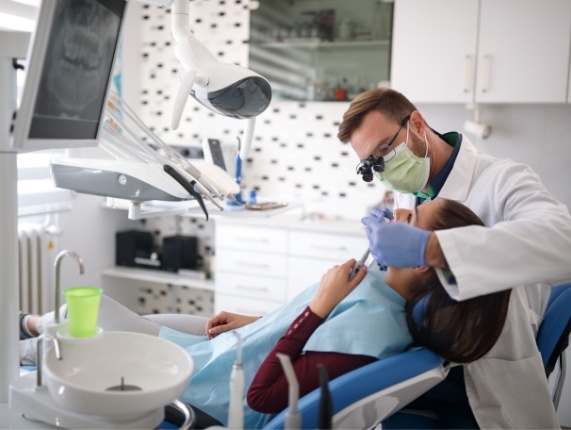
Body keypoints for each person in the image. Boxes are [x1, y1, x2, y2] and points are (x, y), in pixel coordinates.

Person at [21, 199, 511, 429]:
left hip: (218, 393)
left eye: (413, 221)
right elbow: (303, 330)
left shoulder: (375, 329)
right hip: (230, 351)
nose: (398, 214)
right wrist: (256, 322)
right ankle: (26, 330)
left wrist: (321, 303)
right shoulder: (373, 287)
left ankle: (22, 339)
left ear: (428, 260)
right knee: (102, 313)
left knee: (86, 319)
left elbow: (261, 394)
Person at [337, 87, 569, 428]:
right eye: (372, 164)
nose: (384, 168)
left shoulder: (502, 179)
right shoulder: (408, 198)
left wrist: (431, 249)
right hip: (420, 369)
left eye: (386, 149)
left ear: (417, 123)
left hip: (481, 376)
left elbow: (564, 240)